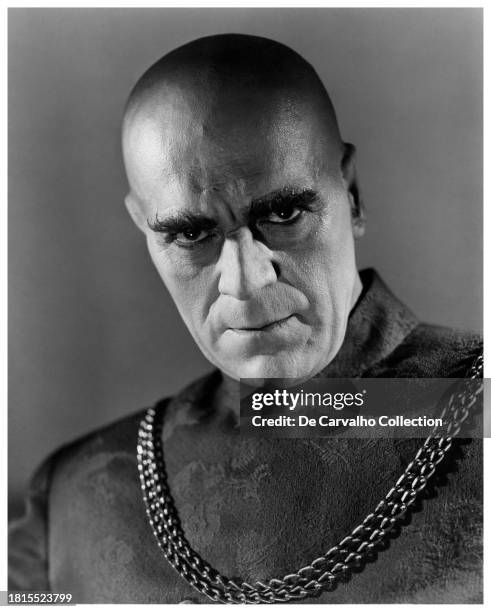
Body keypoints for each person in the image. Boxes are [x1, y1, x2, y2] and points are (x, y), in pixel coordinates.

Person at [9, 34, 482, 604]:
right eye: (190, 233)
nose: (244, 280)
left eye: (283, 212)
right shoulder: (74, 495)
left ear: (349, 194)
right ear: (145, 229)